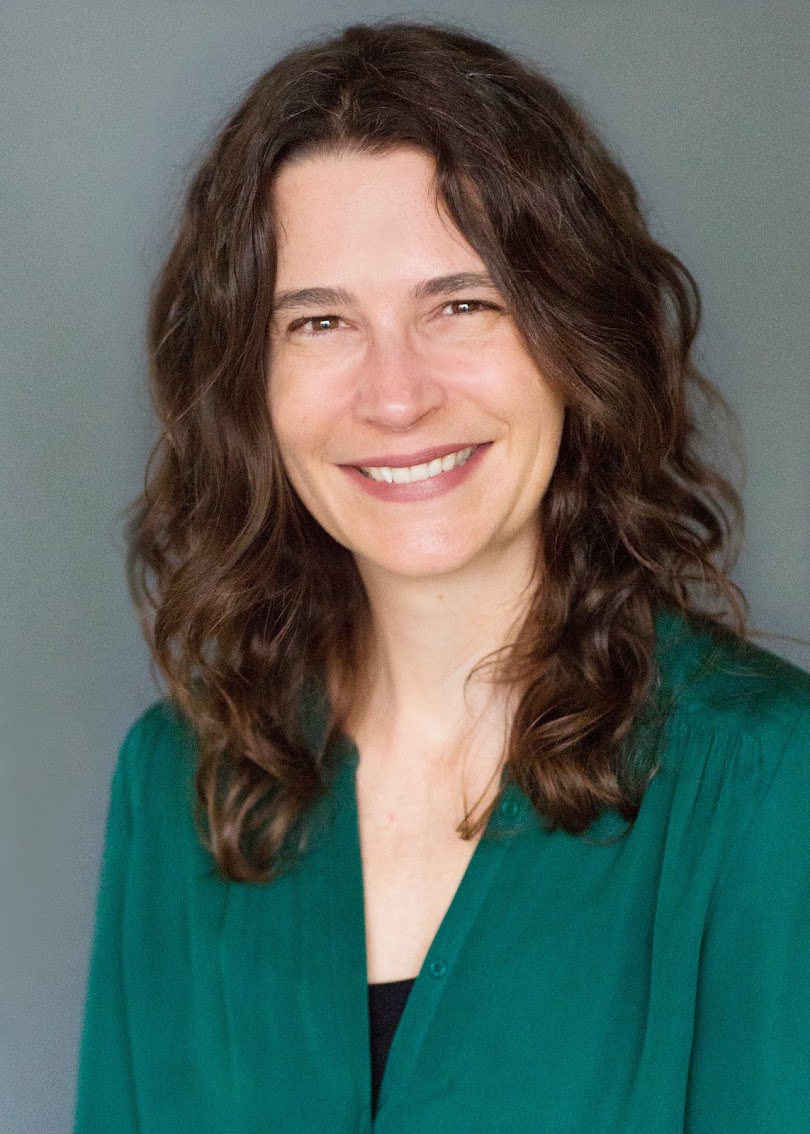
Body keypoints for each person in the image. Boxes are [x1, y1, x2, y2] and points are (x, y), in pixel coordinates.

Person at [74, 20, 810, 1134]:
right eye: (320, 322)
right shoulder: (181, 788)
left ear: (577, 340)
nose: (396, 395)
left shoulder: (771, 784)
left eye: (460, 303)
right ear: (249, 390)